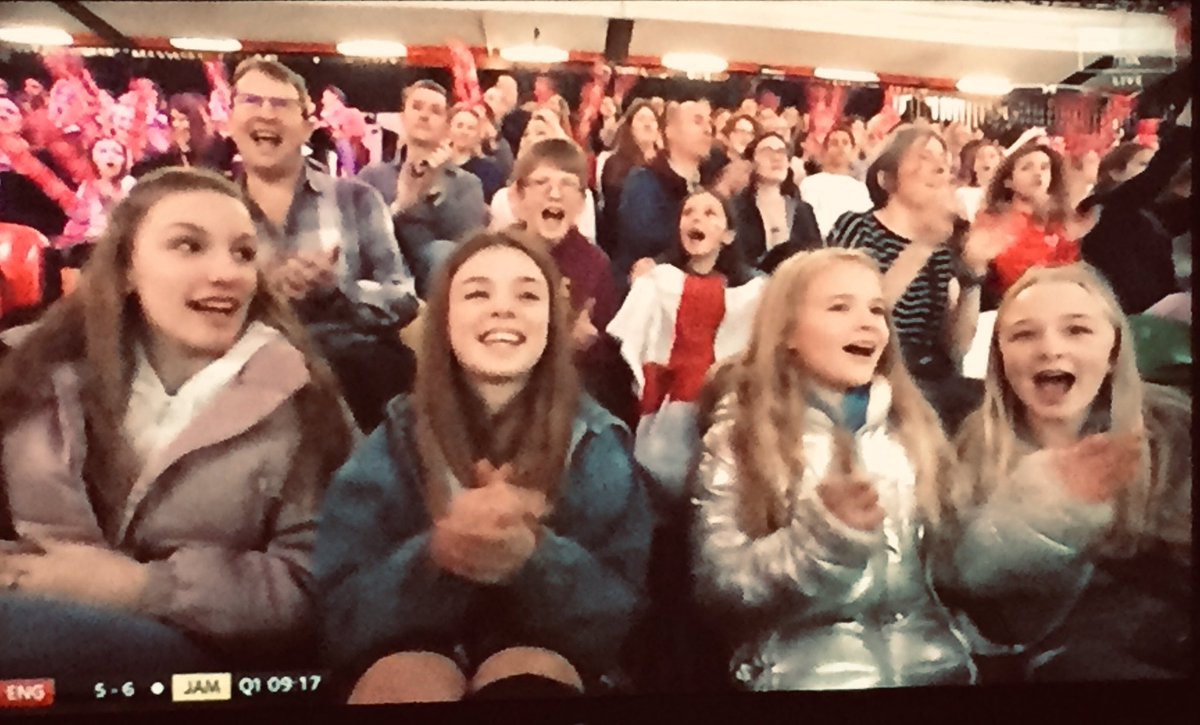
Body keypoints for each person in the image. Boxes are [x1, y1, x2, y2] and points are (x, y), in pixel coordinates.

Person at [0, 167, 354, 684]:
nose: (227, 273)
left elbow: (314, 588)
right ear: (125, 269)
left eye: (243, 253)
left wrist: (140, 589)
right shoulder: (28, 369)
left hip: (205, 669)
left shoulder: (306, 400)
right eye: (189, 246)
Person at [313, 230, 653, 703]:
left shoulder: (598, 443)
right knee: (409, 678)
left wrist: (535, 557)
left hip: (551, 665)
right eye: (477, 293)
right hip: (404, 662)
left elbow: (621, 622)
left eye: (528, 295)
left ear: (554, 322)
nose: (503, 308)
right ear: (444, 319)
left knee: (528, 673)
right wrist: (434, 557)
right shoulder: (394, 438)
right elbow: (340, 617)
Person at [691, 248, 975, 691]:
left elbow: (960, 565)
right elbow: (722, 586)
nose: (868, 322)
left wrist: (1047, 508)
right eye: (839, 307)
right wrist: (823, 538)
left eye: (877, 309)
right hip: (800, 675)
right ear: (786, 331)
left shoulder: (915, 427)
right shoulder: (742, 435)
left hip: (935, 668)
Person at [932, 263, 1191, 682]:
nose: (1049, 349)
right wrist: (1043, 510)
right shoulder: (957, 446)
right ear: (1000, 358)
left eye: (1077, 330)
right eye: (1023, 334)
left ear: (1113, 352)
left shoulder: (1175, 432)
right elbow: (953, 577)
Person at [228, 57, 418, 431]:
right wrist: (265, 291)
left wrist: (337, 292)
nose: (266, 114)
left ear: (307, 126)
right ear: (229, 121)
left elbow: (403, 298)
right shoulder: (211, 209)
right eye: (251, 101)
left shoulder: (356, 199)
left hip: (346, 374)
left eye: (281, 104)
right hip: (242, 366)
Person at [827, 125, 991, 433]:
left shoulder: (943, 247)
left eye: (944, 160)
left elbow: (954, 349)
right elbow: (854, 319)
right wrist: (922, 244)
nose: (941, 167)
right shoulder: (856, 228)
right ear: (886, 178)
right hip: (869, 374)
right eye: (924, 156)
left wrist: (973, 277)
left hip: (927, 377)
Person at [609, 189, 762, 503]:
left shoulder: (753, 291)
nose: (696, 218)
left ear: (729, 235)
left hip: (723, 418)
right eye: (688, 212)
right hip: (666, 421)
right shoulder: (657, 281)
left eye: (710, 213)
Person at [358, 80, 487, 298]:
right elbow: (358, 241)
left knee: (440, 252)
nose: (424, 116)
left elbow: (466, 250)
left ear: (447, 126)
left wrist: (436, 187)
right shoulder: (372, 177)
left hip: (436, 290)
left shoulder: (467, 184)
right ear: (402, 117)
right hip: (380, 282)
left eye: (435, 111)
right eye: (417, 107)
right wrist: (401, 205)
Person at [1080, 101, 1191, 315]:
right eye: (1143, 165)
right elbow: (1156, 175)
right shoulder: (1100, 207)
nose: (1149, 173)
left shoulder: (1148, 215)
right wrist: (1184, 130)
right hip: (1127, 320)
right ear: (1114, 172)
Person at [972, 140, 1091, 301]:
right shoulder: (992, 220)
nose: (1038, 173)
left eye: (1044, 167)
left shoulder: (1061, 220)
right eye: (1027, 167)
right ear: (1008, 181)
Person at [614, 100, 714, 282]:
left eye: (709, 123)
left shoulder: (705, 185)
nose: (708, 129)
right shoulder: (644, 181)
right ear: (669, 131)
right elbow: (646, 241)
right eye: (697, 122)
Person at [490, 111, 598, 243]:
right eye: (526, 134)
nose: (531, 139)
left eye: (540, 133)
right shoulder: (501, 198)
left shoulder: (580, 194)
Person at [731, 132, 821, 272]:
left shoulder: (803, 210)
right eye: (767, 152)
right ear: (753, 162)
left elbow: (815, 257)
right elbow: (735, 260)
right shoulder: (735, 208)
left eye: (781, 152)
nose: (776, 157)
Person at [598, 99, 660, 254]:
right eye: (641, 119)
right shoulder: (615, 163)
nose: (648, 124)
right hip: (624, 247)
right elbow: (612, 216)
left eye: (652, 120)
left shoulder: (666, 164)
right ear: (630, 127)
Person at [132, 92, 233, 178]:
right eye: (173, 120)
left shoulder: (224, 152)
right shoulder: (162, 163)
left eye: (183, 119)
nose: (176, 125)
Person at [799, 124, 873, 240]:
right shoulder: (810, 183)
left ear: (853, 152)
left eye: (845, 143)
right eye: (834, 143)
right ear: (824, 151)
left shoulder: (860, 189)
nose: (840, 147)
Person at [447, 104, 505, 204]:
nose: (464, 132)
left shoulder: (489, 171)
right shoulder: (437, 164)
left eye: (470, 128)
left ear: (478, 135)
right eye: (459, 126)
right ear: (449, 129)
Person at [954, 139, 1002, 223]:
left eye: (992, 156)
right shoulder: (963, 194)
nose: (986, 161)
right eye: (980, 157)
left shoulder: (1005, 194)